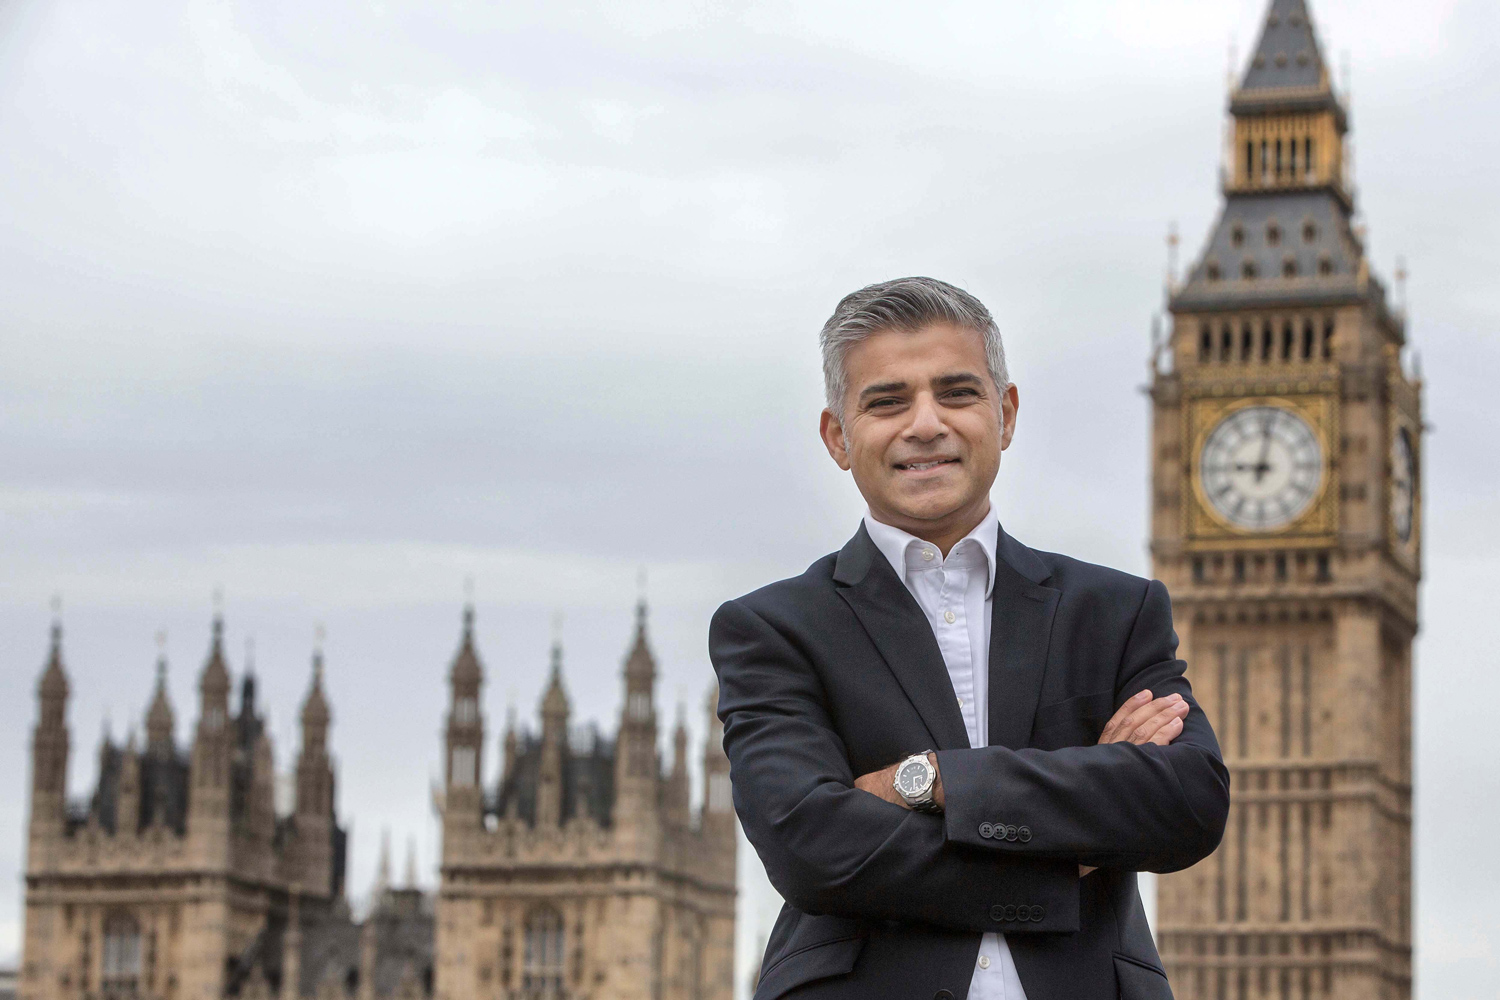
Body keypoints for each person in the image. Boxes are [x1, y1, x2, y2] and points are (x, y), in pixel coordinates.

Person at [710, 277, 1229, 1000]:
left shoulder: (1114, 610)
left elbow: (1187, 803)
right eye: (888, 401)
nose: (926, 424)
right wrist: (1069, 837)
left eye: (957, 393)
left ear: (1005, 413)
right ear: (838, 436)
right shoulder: (772, 629)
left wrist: (928, 780)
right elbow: (812, 849)